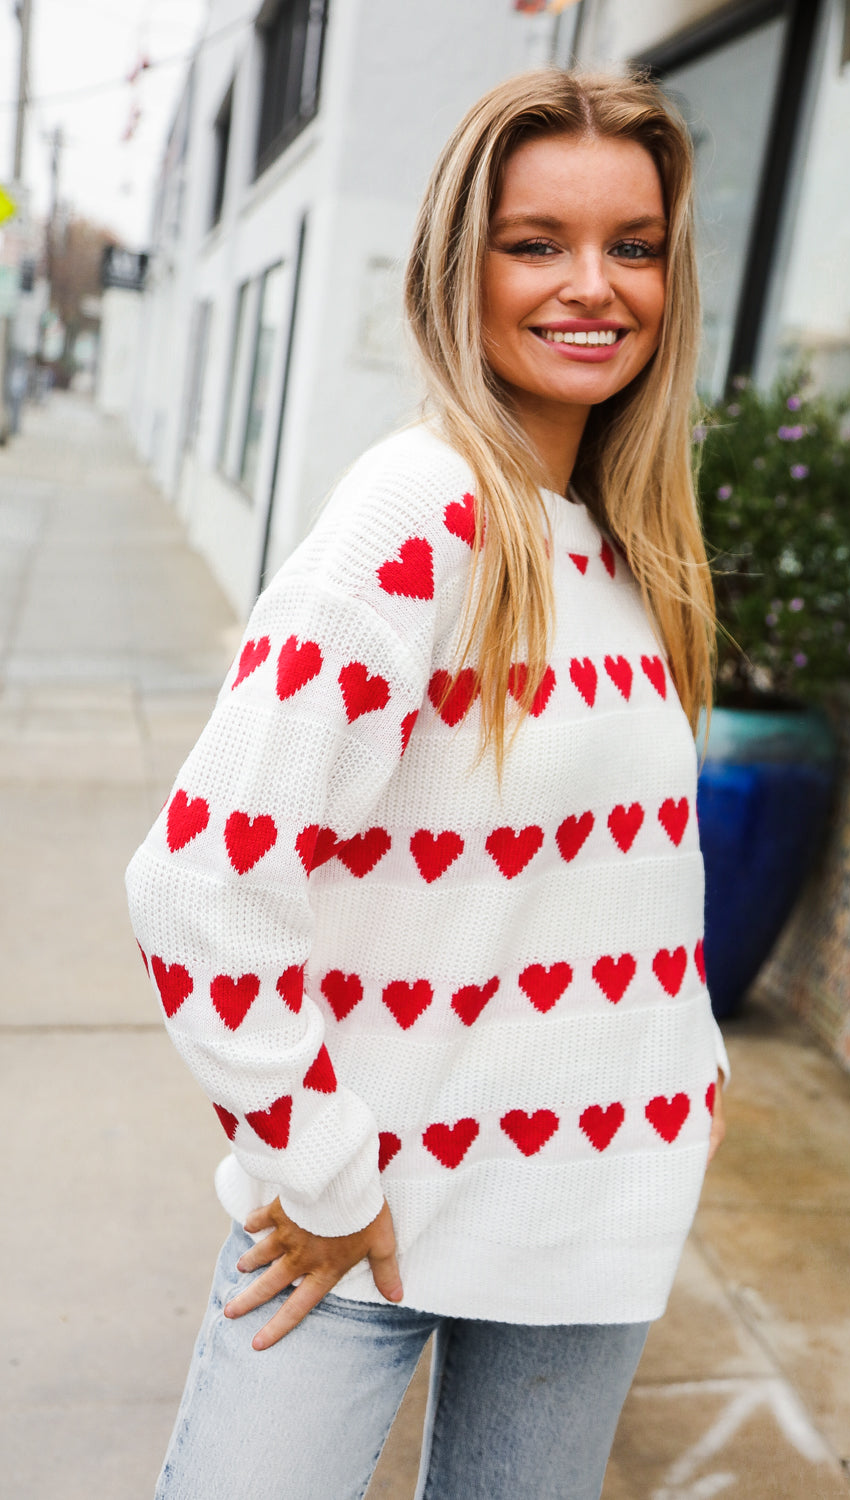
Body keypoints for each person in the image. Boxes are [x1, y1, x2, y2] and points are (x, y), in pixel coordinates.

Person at [126, 67, 728, 1500]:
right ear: (462, 265)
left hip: (592, 1200)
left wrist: (685, 1070)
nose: (595, 286)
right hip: (360, 1209)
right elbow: (201, 881)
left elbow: (618, 874)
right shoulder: (422, 509)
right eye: (538, 242)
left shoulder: (624, 546)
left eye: (634, 246)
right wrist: (325, 1166)